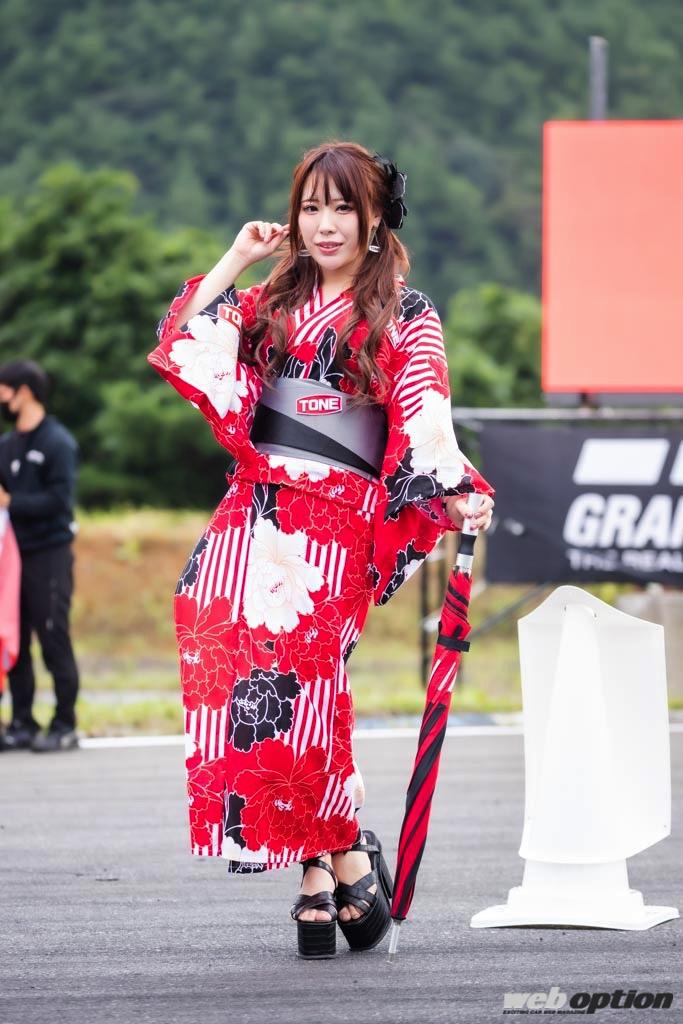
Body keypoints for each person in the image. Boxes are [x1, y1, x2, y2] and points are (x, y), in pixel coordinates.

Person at [148, 140, 495, 958]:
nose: (325, 224)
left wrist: (452, 488)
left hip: (336, 520)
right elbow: (185, 338)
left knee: (301, 682)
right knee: (226, 649)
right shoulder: (270, 300)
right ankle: (335, 857)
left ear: (376, 217)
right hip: (254, 506)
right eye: (311, 208)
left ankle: (328, 859)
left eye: (343, 207)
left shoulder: (406, 312)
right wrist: (237, 256)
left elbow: (425, 411)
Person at [0, 360, 80, 752]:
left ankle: (65, 724)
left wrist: (12, 501)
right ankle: (22, 722)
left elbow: (59, 501)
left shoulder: (57, 442)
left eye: (3, 391)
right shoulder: (6, 445)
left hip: (50, 553)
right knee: (14, 638)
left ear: (24, 391)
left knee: (52, 636)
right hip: (12, 557)